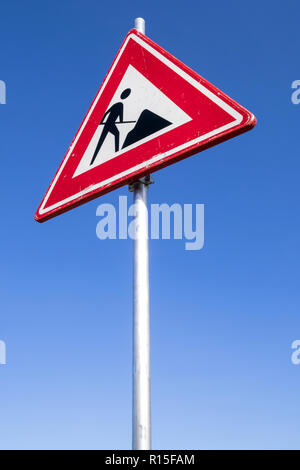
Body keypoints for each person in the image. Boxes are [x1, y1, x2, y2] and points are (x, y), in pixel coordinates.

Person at [90, 88, 131, 165]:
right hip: (110, 123)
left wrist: (102, 121)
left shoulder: (116, 104)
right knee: (101, 141)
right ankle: (117, 152)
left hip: (109, 123)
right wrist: (121, 121)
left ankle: (116, 152)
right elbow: (120, 115)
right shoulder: (120, 105)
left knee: (103, 140)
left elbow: (107, 113)